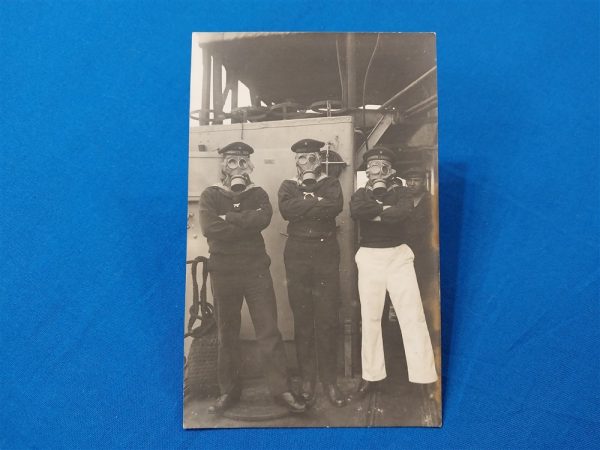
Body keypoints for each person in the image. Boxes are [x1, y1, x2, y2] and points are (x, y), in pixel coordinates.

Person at [199, 141, 306, 414]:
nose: (237, 167)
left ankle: (281, 390)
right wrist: (244, 222)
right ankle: (228, 392)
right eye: (232, 161)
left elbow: (263, 220)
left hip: (255, 271)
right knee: (227, 332)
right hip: (224, 272)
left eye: (242, 162)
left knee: (268, 329)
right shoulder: (210, 194)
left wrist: (229, 217)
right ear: (223, 165)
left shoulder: (258, 193)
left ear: (250, 166)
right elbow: (210, 227)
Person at [349, 146, 437, 399]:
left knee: (413, 316)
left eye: (383, 167)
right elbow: (357, 212)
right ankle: (371, 377)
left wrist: (377, 214)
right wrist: (386, 213)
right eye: (373, 167)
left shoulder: (402, 192)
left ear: (391, 171)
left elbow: (404, 213)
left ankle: (424, 377)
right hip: (369, 257)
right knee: (371, 318)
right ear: (368, 170)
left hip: (398, 256)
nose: (377, 171)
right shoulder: (360, 194)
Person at [278, 138, 347, 407]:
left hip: (325, 252)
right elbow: (286, 210)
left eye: (312, 157)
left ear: (319, 160)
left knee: (328, 317)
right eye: (301, 158)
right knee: (303, 317)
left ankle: (330, 382)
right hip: (296, 253)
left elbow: (335, 207)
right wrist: (315, 202)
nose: (306, 162)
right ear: (295, 161)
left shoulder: (331, 183)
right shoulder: (287, 185)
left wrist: (304, 204)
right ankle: (308, 380)